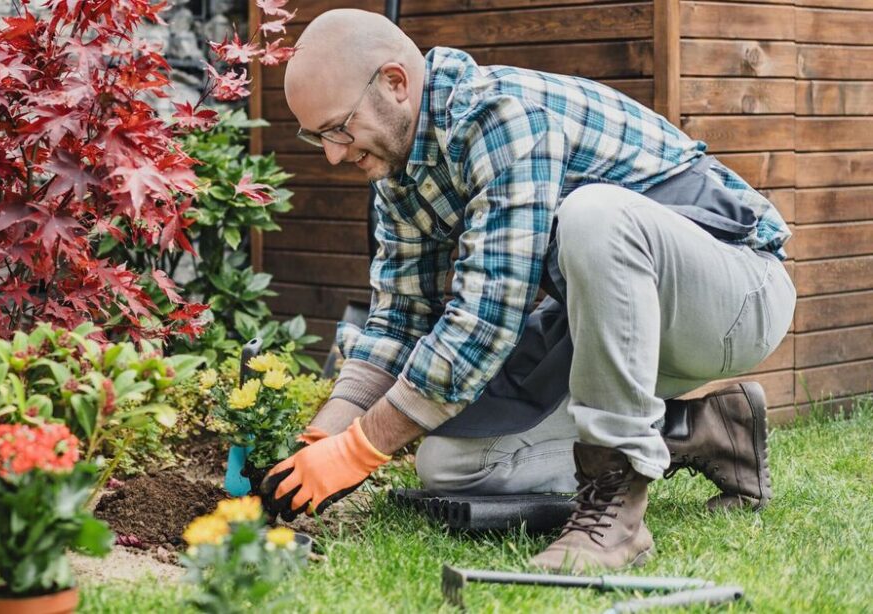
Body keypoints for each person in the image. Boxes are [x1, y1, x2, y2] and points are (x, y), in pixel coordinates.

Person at [259, 8, 796, 573]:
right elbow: (399, 320)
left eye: (338, 128)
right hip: (608, 328)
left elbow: (484, 323)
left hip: (736, 297)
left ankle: (616, 512)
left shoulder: (501, 115)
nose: (334, 154)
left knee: (596, 216)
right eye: (318, 136)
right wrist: (326, 434)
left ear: (395, 83)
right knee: (450, 463)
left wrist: (360, 449)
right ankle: (703, 429)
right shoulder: (400, 172)